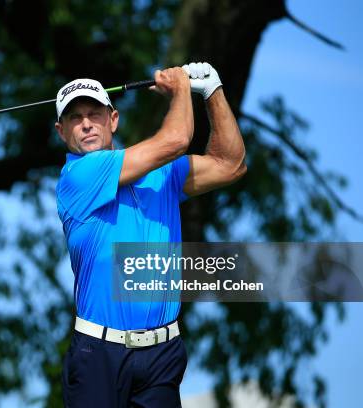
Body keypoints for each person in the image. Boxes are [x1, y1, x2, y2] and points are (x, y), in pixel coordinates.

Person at [54, 62, 246, 407]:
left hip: (162, 356)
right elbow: (175, 140)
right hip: (98, 355)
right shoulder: (77, 177)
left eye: (94, 114)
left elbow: (230, 164)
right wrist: (181, 89)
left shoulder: (163, 175)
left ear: (113, 120)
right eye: (75, 117)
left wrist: (212, 91)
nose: (85, 124)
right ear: (61, 130)